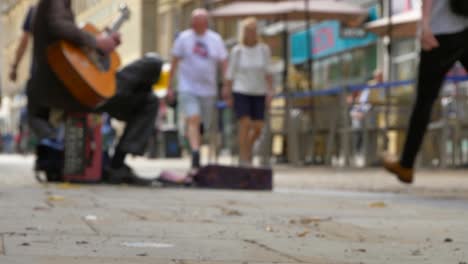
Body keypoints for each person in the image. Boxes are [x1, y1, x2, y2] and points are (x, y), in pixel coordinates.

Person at [29, 0, 163, 184]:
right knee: (153, 65)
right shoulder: (54, 5)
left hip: (81, 89)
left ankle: (117, 165)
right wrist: (97, 42)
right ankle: (118, 164)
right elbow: (57, 24)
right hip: (75, 89)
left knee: (148, 97)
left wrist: (101, 46)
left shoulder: (53, 13)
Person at [384, 0, 468, 184]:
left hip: (440, 34)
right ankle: (405, 165)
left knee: (424, 101)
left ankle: (406, 166)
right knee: (424, 101)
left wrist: (424, 24)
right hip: (464, 29)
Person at [166, 8, 228, 169]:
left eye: (201, 21)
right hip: (188, 87)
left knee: (203, 125)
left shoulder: (215, 39)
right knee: (194, 118)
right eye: (195, 21)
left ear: (206, 23)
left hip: (209, 90)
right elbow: (173, 63)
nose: (197, 24)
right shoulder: (183, 39)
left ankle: (194, 141)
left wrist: (226, 85)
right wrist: (168, 87)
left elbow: (224, 63)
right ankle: (195, 153)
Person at [223, 17, 273, 166]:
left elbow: (268, 72)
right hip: (241, 90)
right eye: (248, 31)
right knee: (245, 124)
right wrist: (228, 93)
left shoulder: (264, 50)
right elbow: (230, 74)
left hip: (259, 91)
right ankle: (244, 158)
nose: (250, 33)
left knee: (258, 127)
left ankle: (248, 148)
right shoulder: (237, 51)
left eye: (253, 30)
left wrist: (270, 91)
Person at [9, 5, 36, 82]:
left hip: (39, 70)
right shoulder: (64, 8)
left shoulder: (34, 11)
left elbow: (23, 43)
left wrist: (14, 67)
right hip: (61, 67)